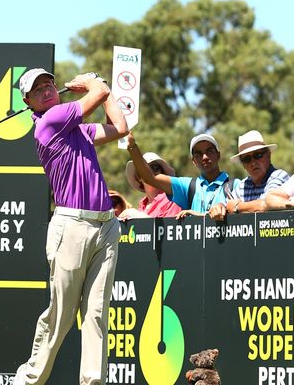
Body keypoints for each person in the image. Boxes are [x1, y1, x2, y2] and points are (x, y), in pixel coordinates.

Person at [13, 68, 128, 385]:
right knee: (61, 316)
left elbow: (120, 127)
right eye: (38, 90)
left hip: (105, 227)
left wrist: (102, 88)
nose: (47, 90)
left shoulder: (76, 129)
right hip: (71, 226)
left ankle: (93, 382)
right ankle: (28, 379)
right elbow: (98, 94)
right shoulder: (49, 123)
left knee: (96, 314)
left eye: (49, 84)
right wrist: (94, 84)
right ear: (29, 103)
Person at [126, 132, 239, 215]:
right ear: (194, 161)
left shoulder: (235, 185)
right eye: (198, 154)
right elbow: (150, 178)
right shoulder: (188, 186)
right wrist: (132, 147)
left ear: (218, 155)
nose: (204, 157)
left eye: (209, 151)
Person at [207, 130, 289, 220]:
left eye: (258, 155)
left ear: (268, 155)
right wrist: (220, 207)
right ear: (243, 165)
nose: (253, 162)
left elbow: (269, 204)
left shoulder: (279, 176)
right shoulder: (243, 185)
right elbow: (228, 205)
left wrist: (237, 207)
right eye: (247, 159)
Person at [122, 152, 182, 218]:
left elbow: (170, 226)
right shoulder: (142, 205)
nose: (152, 171)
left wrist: (138, 216)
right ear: (138, 177)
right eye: (144, 169)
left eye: (156, 167)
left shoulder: (172, 199)